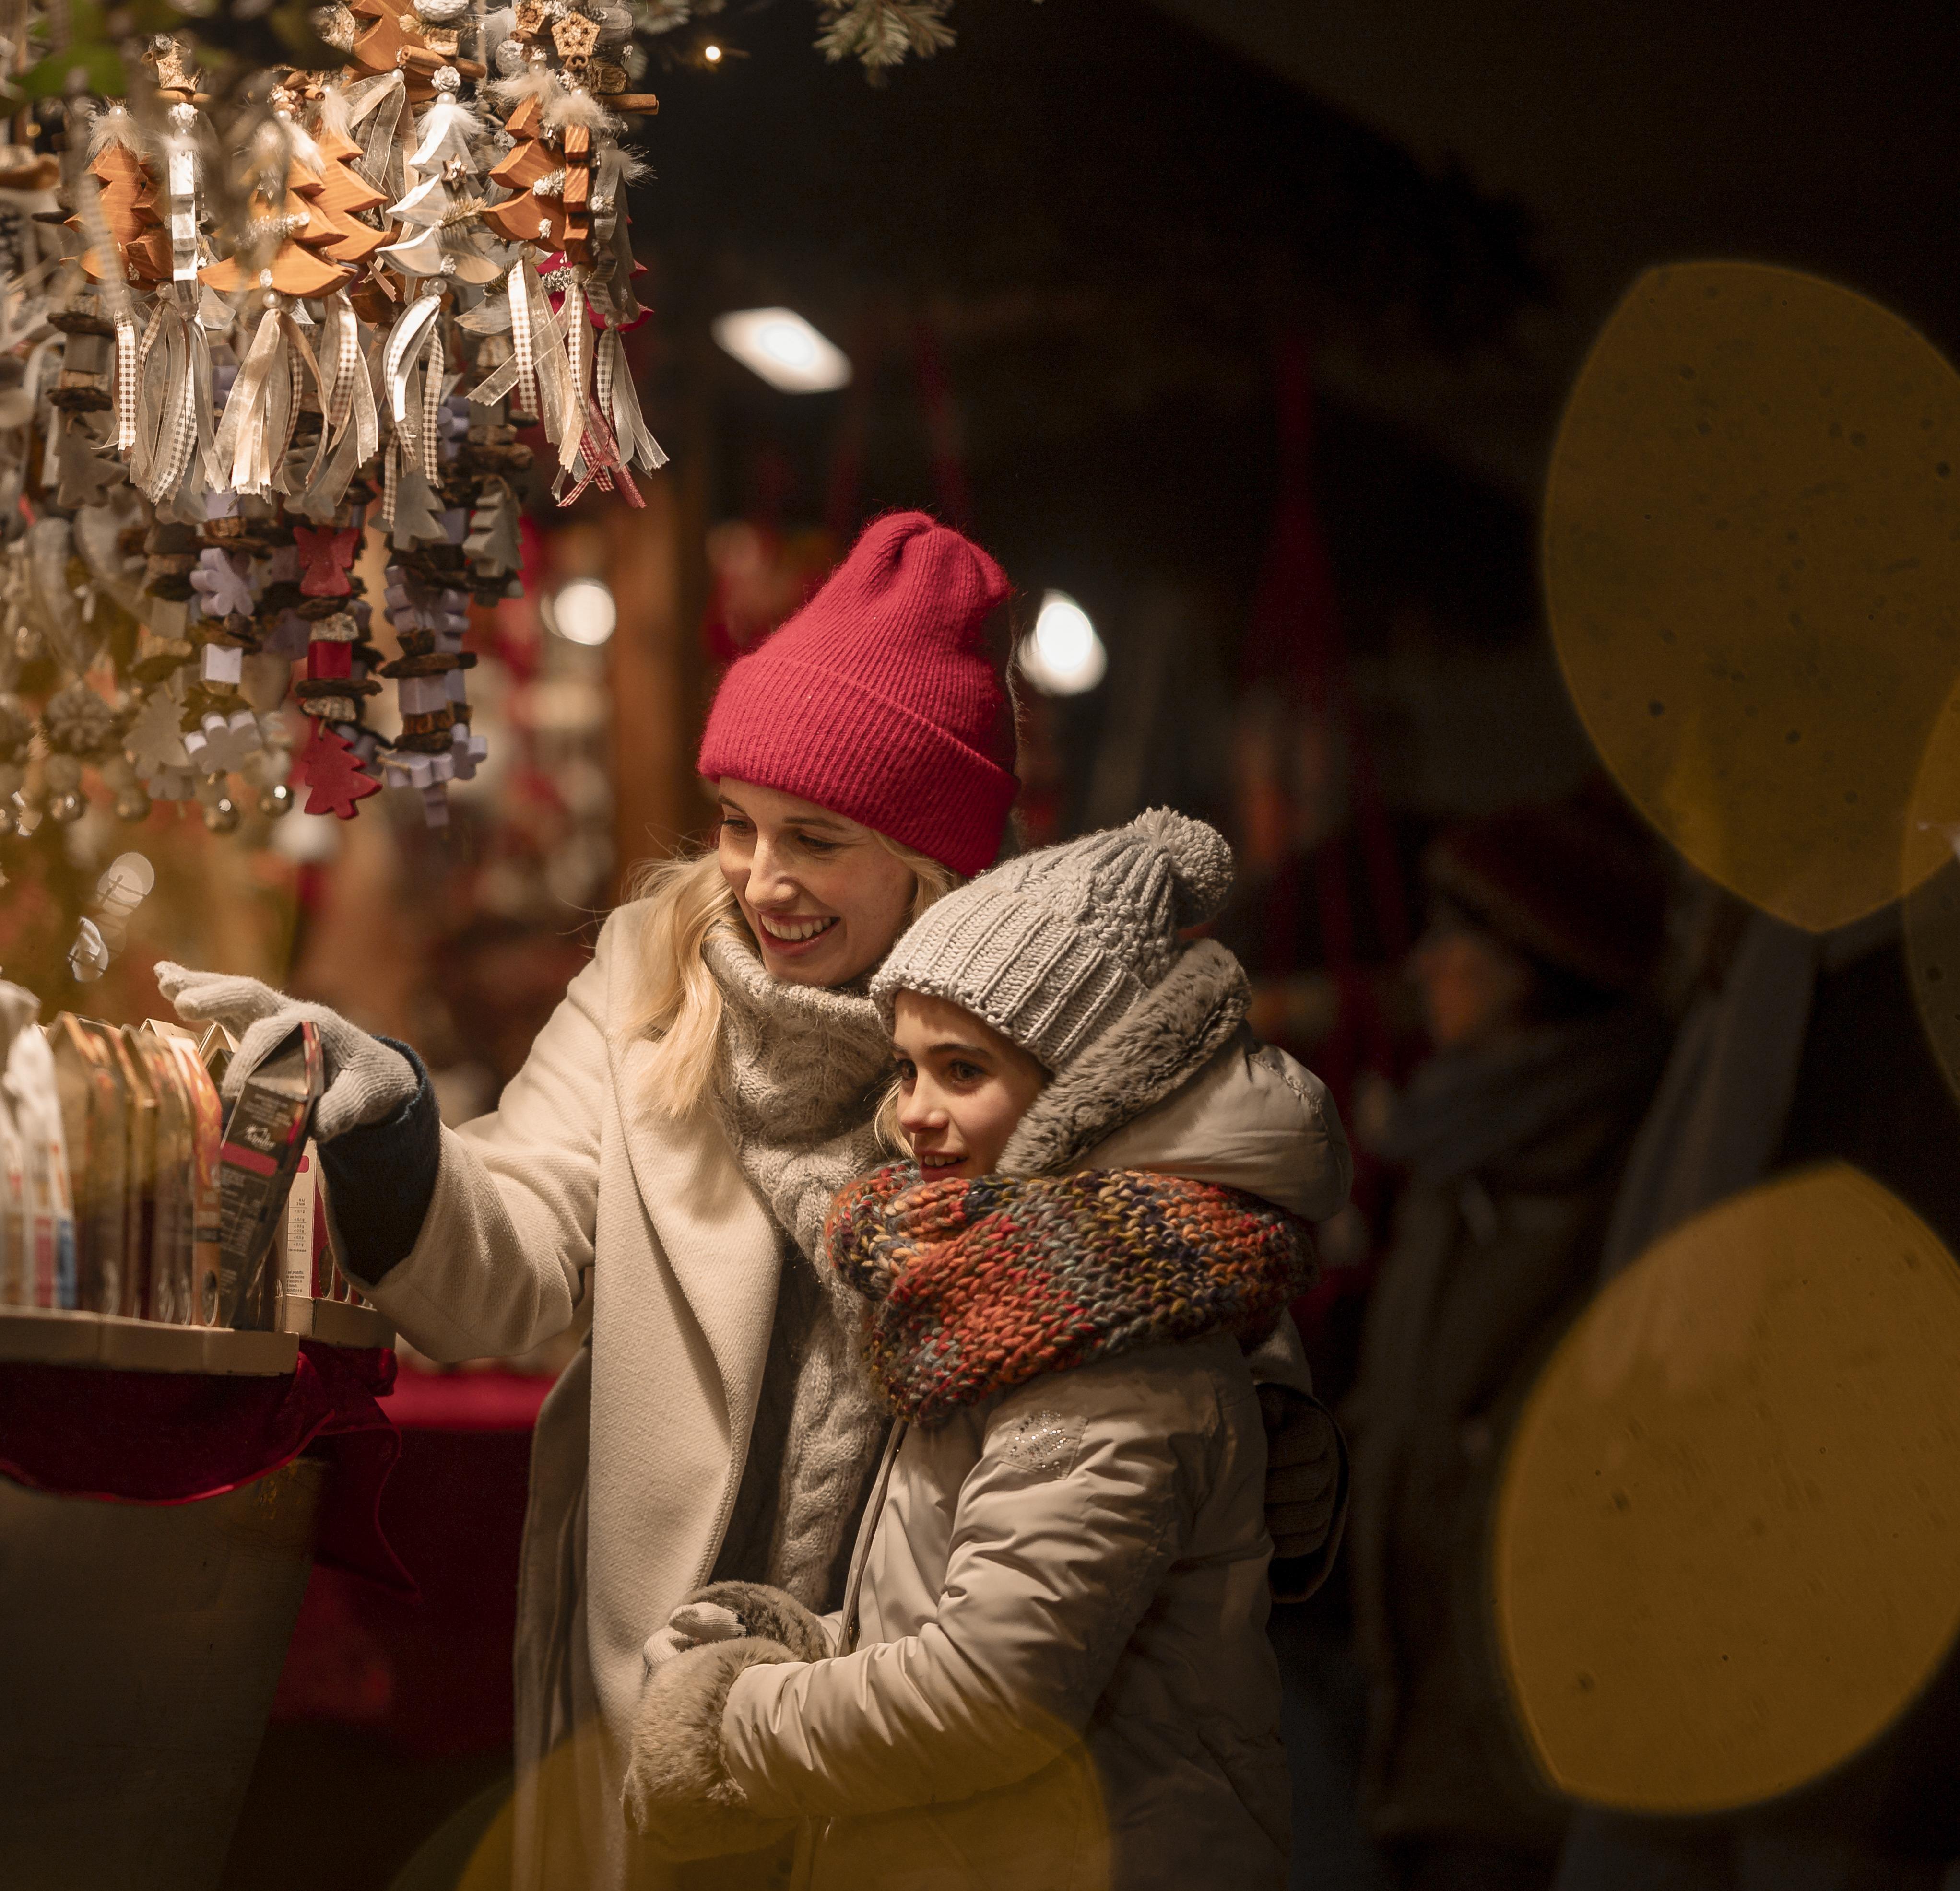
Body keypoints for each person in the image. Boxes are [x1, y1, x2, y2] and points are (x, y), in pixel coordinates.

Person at [156, 512, 1347, 1888]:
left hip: (926, 1705)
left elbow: (1180, 1280)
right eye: (737, 824)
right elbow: (525, 1253)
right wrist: (395, 1134)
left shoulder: (1040, 1040)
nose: (760, 882)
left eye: (817, 839)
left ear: (931, 859)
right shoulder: (649, 975)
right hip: (660, 1678)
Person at [618, 810, 1343, 1891]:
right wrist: (800, 1642)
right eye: (905, 1070)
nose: (912, 1114)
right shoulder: (1007, 1299)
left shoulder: (1105, 1345)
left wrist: (731, 1729)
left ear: (1092, 1091)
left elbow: (990, 1699)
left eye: (961, 1071)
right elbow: (972, 1614)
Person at [1342, 799, 1671, 1891]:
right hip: (1412, 1712)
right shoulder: (1459, 1150)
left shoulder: (1602, 1168)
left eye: (1456, 937)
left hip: (1511, 1747)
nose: (1425, 962)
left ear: (1532, 965)